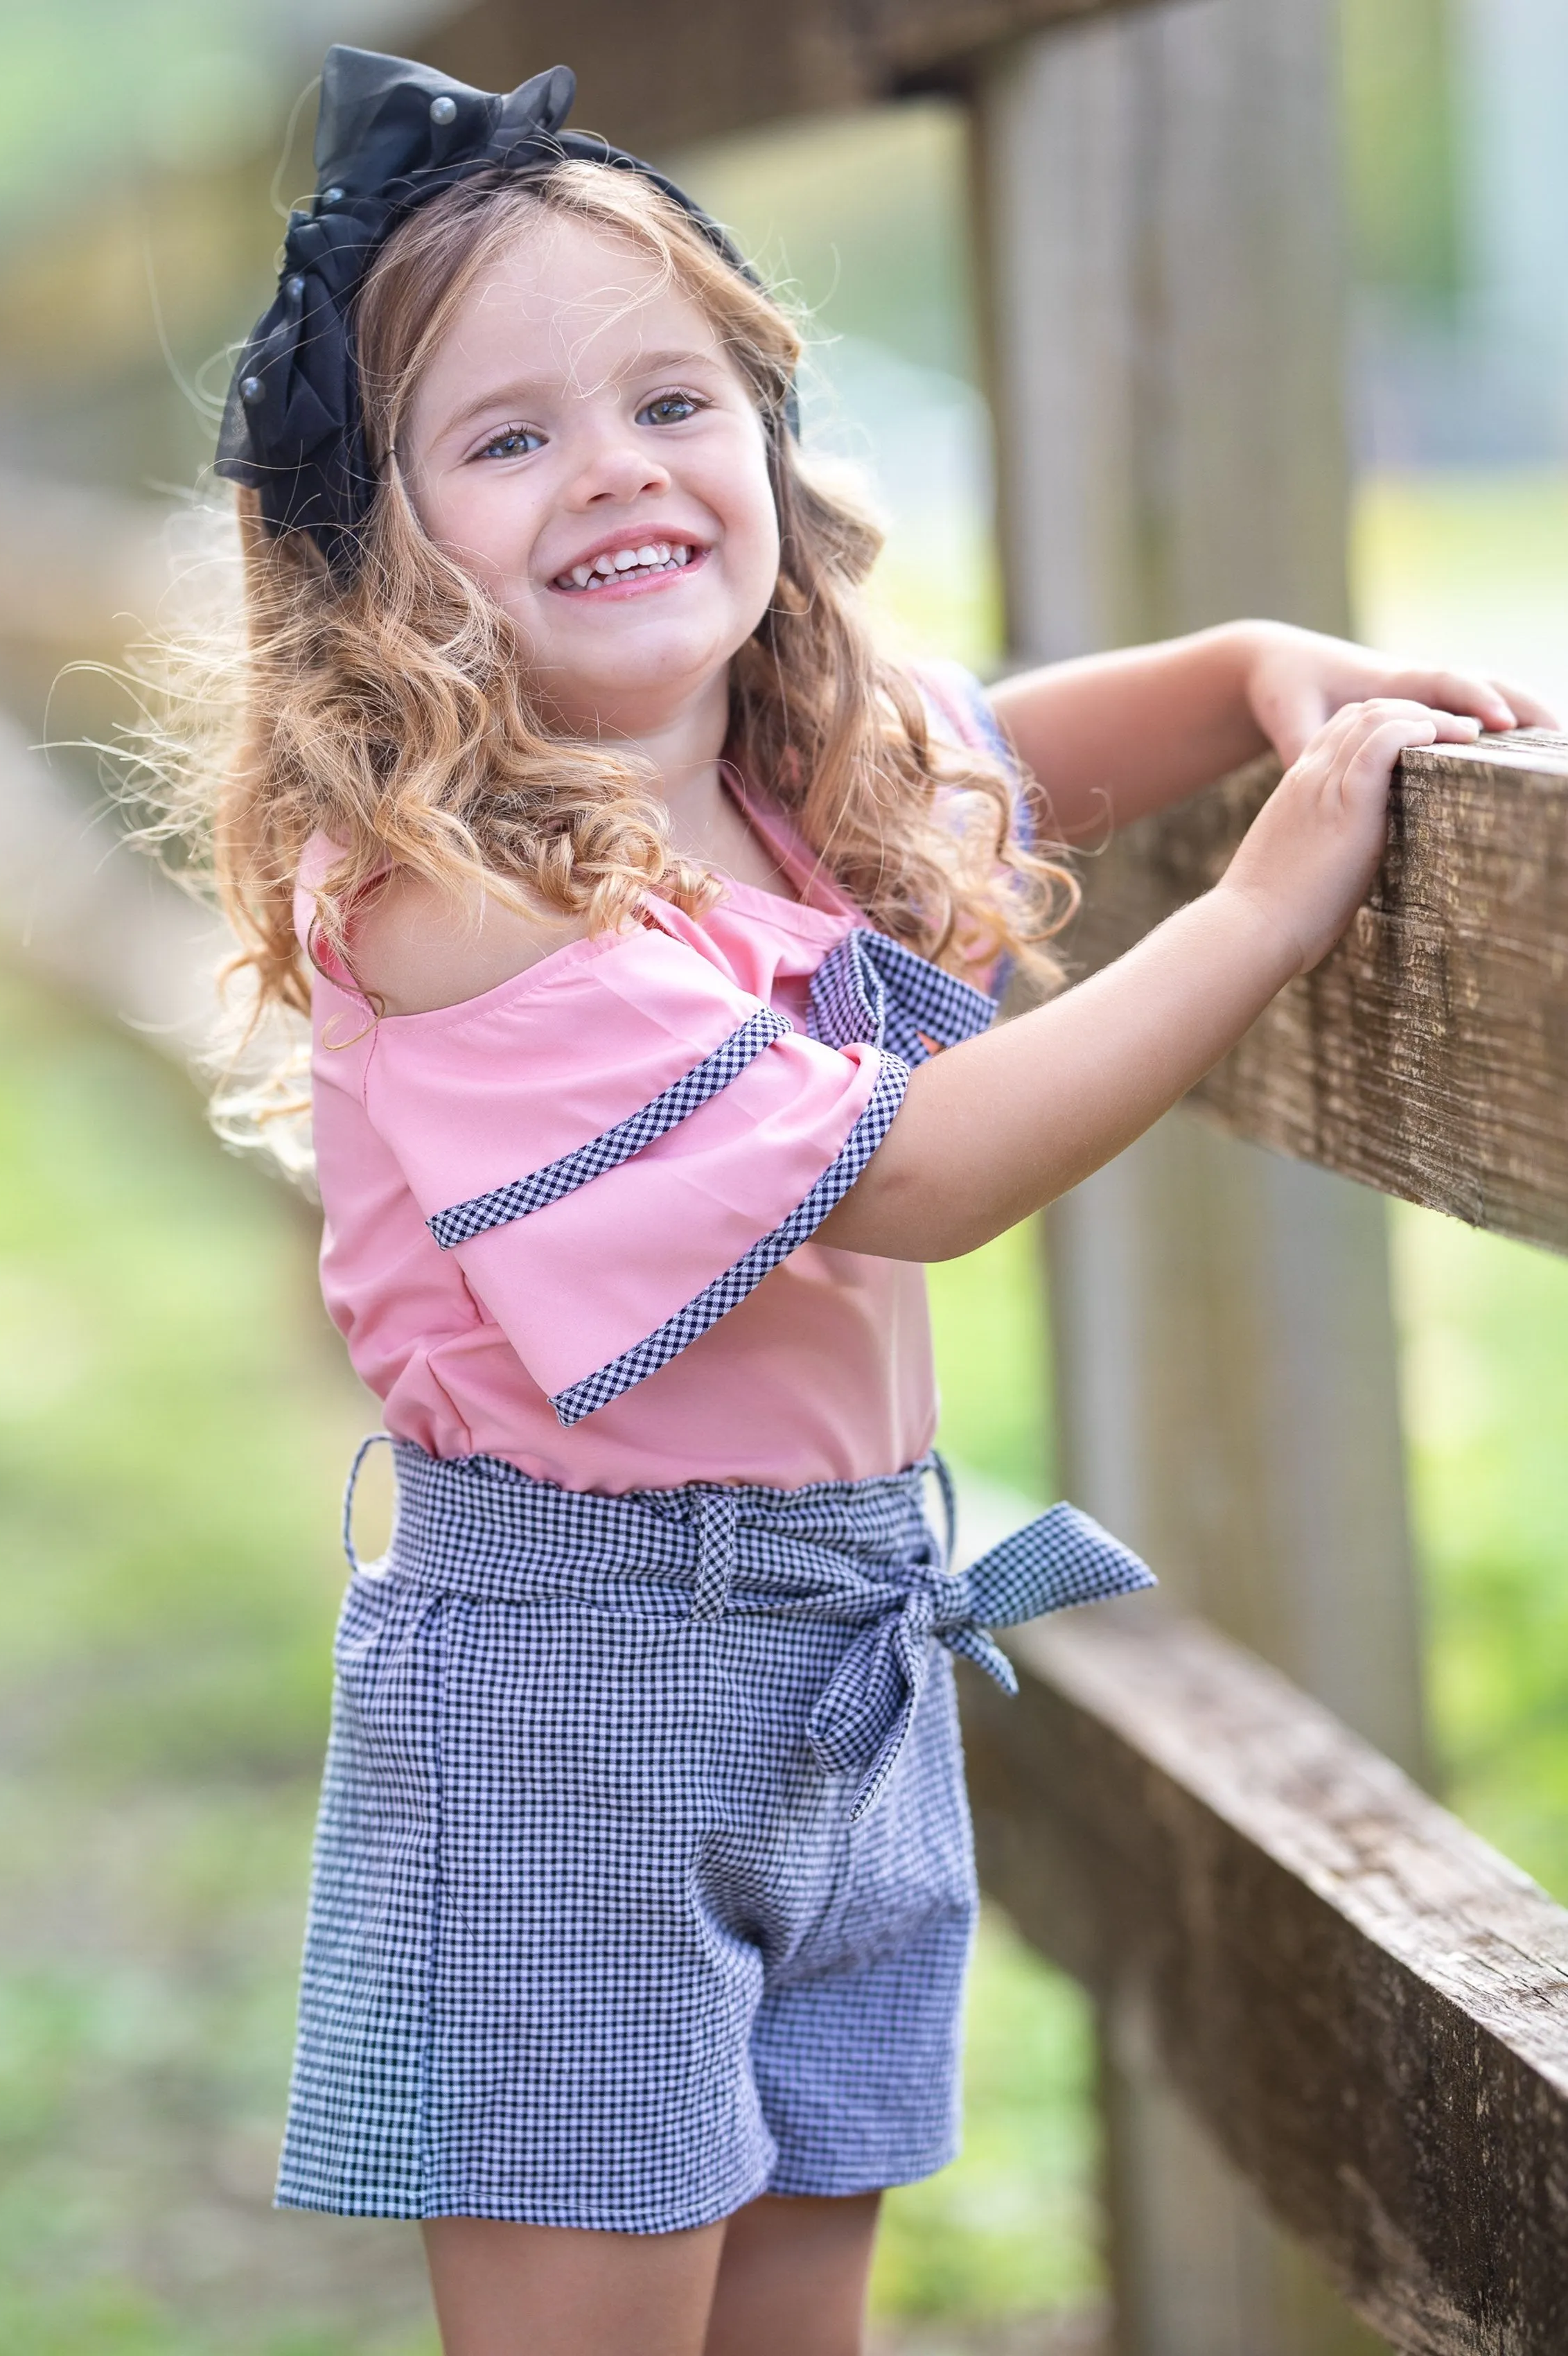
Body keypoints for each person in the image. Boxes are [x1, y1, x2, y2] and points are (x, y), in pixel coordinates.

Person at [195, 46, 1555, 2356]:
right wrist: (1253, 921)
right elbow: (907, 1184)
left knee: (804, 2292)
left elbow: (1014, 750)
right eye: (506, 439)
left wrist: (1245, 679)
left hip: (845, 1647)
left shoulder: (755, 778)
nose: (614, 468)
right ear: (377, 554)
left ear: (764, 436)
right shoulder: (454, 898)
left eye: (669, 400)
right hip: (577, 1705)